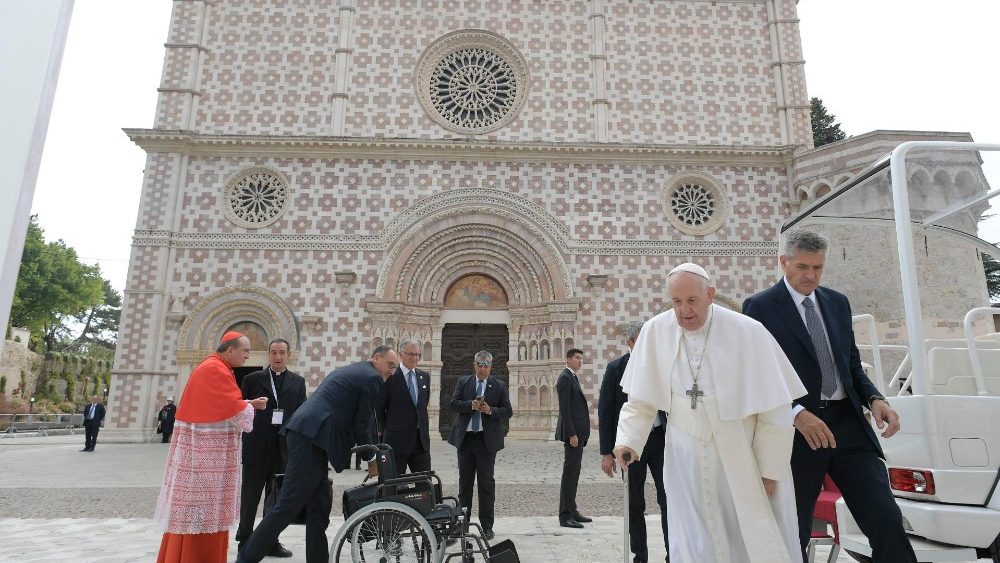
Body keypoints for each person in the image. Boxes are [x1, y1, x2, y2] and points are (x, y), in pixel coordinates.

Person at [742, 230, 916, 563]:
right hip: (797, 431)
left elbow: (850, 364)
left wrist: (875, 399)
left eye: (818, 268)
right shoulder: (759, 307)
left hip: (847, 424)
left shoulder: (837, 302)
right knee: (794, 530)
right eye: (803, 267)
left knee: (886, 518)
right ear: (784, 262)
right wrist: (794, 412)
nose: (811, 276)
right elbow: (753, 376)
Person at [614, 263, 807, 563]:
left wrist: (770, 471)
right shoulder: (655, 332)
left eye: (692, 301)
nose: (683, 311)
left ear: (710, 295)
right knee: (692, 538)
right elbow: (640, 401)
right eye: (676, 302)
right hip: (684, 456)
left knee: (745, 539)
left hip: (741, 456)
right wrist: (628, 440)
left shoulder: (747, 331)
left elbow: (775, 409)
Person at [237, 346, 400, 563]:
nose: (392, 371)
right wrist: (371, 459)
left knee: (319, 505)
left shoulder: (357, 371)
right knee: (288, 505)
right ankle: (246, 558)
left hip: (313, 437)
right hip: (310, 438)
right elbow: (362, 424)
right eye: (390, 365)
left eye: (396, 367)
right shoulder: (372, 378)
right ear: (376, 358)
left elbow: (363, 419)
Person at [153, 331, 268, 563]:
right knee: (202, 512)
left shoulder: (214, 367)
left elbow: (220, 406)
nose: (248, 355)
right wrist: (249, 408)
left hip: (204, 453)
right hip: (206, 459)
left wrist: (246, 404)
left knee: (201, 513)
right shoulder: (216, 369)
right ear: (230, 349)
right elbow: (230, 410)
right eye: (245, 350)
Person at [598, 321, 668, 563]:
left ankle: (673, 553)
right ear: (630, 343)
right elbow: (606, 411)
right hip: (630, 445)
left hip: (660, 440)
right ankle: (640, 555)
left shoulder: (661, 366)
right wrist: (607, 452)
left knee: (668, 497)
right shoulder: (616, 369)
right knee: (634, 501)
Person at [235, 338, 307, 558]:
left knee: (275, 499)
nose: (278, 357)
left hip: (282, 449)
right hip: (256, 446)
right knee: (250, 497)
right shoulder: (252, 379)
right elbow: (242, 406)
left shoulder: (297, 381)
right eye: (274, 352)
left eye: (282, 353)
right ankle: (245, 541)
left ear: (288, 355)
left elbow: (301, 413)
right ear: (269, 354)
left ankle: (270, 541)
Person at [448, 350, 513, 541]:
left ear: (490, 367)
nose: (483, 368)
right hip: (466, 440)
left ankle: (487, 526)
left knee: (486, 485)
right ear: (474, 365)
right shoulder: (464, 382)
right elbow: (453, 403)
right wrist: (471, 405)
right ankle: (463, 524)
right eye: (480, 364)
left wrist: (490, 410)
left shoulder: (498, 385)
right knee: (464, 485)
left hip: (486, 442)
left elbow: (508, 411)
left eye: (486, 365)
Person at [376, 338, 432, 473]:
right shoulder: (390, 376)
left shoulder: (424, 377)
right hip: (396, 442)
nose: (415, 358)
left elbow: (421, 407)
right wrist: (383, 432)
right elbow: (378, 407)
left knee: (425, 485)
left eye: (417, 354)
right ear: (401, 354)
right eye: (411, 354)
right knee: (393, 485)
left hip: (420, 443)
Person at [556, 348, 591, 528]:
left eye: (581, 358)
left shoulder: (572, 377)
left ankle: (573, 510)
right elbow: (565, 409)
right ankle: (565, 515)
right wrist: (572, 434)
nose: (580, 361)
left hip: (579, 434)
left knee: (574, 473)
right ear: (568, 359)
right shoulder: (564, 378)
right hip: (574, 435)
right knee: (569, 474)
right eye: (577, 358)